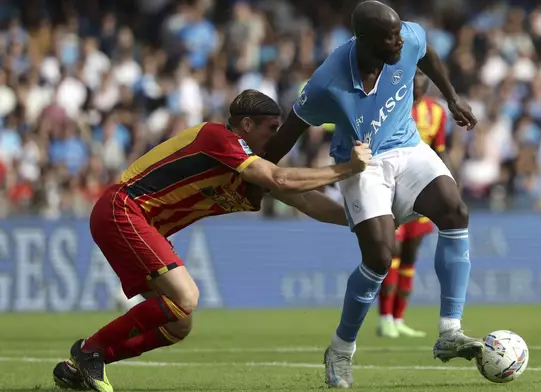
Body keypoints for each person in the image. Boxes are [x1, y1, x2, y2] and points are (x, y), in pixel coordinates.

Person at [52, 89, 372, 392]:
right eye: (272, 128)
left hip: (139, 223)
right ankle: (91, 350)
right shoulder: (218, 137)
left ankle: (84, 362)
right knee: (186, 296)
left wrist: (365, 218)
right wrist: (347, 169)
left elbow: (307, 202)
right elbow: (279, 177)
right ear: (246, 125)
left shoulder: (248, 170)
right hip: (122, 209)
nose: (277, 138)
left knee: (179, 323)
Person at [263, 1, 481, 388]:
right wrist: (254, 172)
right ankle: (341, 350)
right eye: (390, 37)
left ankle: (450, 332)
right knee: (381, 257)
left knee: (455, 210)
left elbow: (426, 51)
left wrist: (451, 96)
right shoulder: (328, 81)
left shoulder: (408, 38)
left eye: (399, 33)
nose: (400, 41)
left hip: (407, 144)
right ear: (363, 40)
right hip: (361, 162)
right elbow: (289, 131)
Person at [377, 69, 455, 338]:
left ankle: (399, 319)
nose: (417, 91)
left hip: (423, 193)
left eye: (421, 87)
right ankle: (384, 317)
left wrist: (449, 186)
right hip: (394, 193)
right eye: (413, 87)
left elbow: (440, 152)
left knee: (410, 255)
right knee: (392, 253)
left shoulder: (438, 113)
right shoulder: (390, 109)